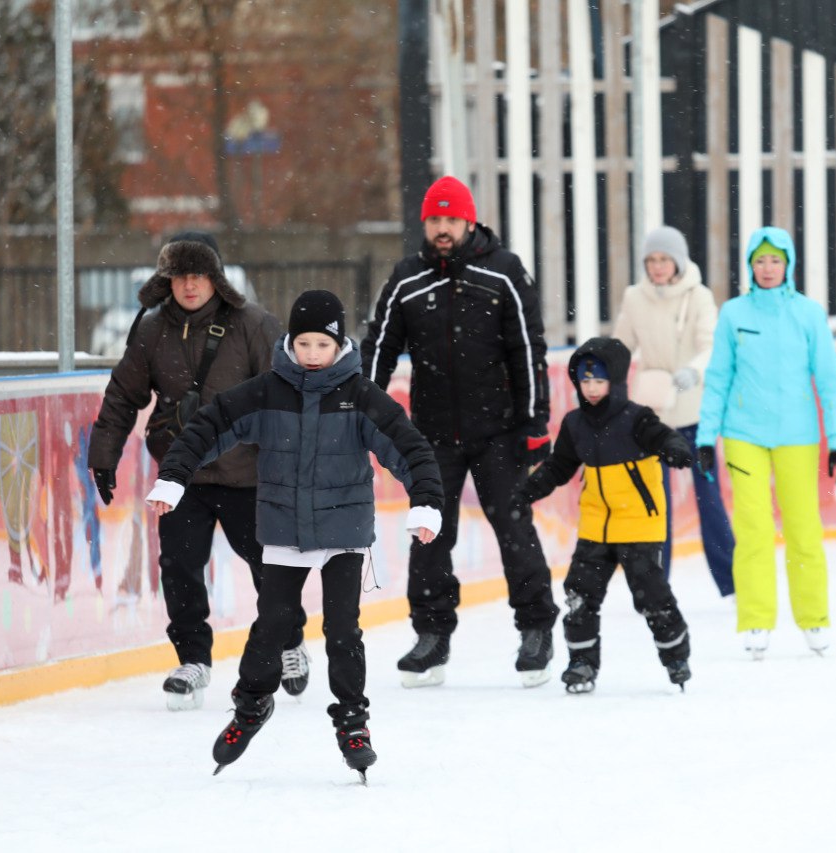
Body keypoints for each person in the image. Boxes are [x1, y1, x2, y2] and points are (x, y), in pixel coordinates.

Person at [145, 290, 444, 780]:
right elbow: (208, 426)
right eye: (302, 343)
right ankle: (252, 706)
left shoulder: (360, 396)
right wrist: (175, 476)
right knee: (273, 626)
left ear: (338, 345)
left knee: (343, 631)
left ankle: (352, 722)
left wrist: (427, 500)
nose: (311, 354)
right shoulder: (268, 391)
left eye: (321, 345)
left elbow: (408, 447)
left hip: (344, 534)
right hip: (284, 529)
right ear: (290, 341)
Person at [88, 231, 309, 710]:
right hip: (180, 476)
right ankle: (193, 659)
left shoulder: (253, 325)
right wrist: (103, 454)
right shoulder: (150, 329)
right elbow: (124, 395)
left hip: (246, 474)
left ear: (216, 278)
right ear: (167, 279)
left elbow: (287, 393)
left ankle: (289, 639)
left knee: (270, 568)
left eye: (199, 275)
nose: (189, 285)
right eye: (180, 275)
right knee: (180, 568)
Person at [361, 175, 559, 688]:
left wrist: (536, 424)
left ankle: (536, 628)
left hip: (499, 431)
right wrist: (362, 414)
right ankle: (431, 638)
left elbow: (528, 350)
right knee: (429, 534)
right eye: (433, 220)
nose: (442, 228)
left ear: (469, 221)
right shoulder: (408, 278)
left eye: (450, 219)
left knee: (513, 530)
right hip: (431, 435)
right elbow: (379, 349)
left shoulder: (505, 272)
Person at [695, 226, 836, 660]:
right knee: (754, 528)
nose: (767, 269)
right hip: (744, 436)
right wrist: (707, 437)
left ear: (789, 265)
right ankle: (757, 620)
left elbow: (829, 381)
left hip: (797, 437)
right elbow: (719, 378)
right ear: (749, 265)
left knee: (803, 528)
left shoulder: (808, 314)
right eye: (760, 261)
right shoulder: (734, 314)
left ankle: (814, 616)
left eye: (775, 261)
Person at [513, 337, 695, 694]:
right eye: (585, 381)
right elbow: (559, 467)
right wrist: (527, 492)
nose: (592, 388)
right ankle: (581, 664)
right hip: (597, 524)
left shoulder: (636, 418)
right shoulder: (575, 424)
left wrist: (676, 451)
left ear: (616, 381)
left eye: (599, 380)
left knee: (651, 597)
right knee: (579, 596)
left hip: (640, 523)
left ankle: (676, 656)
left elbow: (664, 438)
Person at [612, 225, 735, 596]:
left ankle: (731, 583)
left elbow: (711, 345)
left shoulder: (698, 297)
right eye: (651, 260)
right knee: (653, 504)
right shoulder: (635, 298)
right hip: (652, 416)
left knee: (709, 500)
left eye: (664, 259)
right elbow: (620, 348)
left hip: (696, 415)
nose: (657, 266)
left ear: (678, 261)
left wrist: (692, 371)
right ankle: (655, 584)